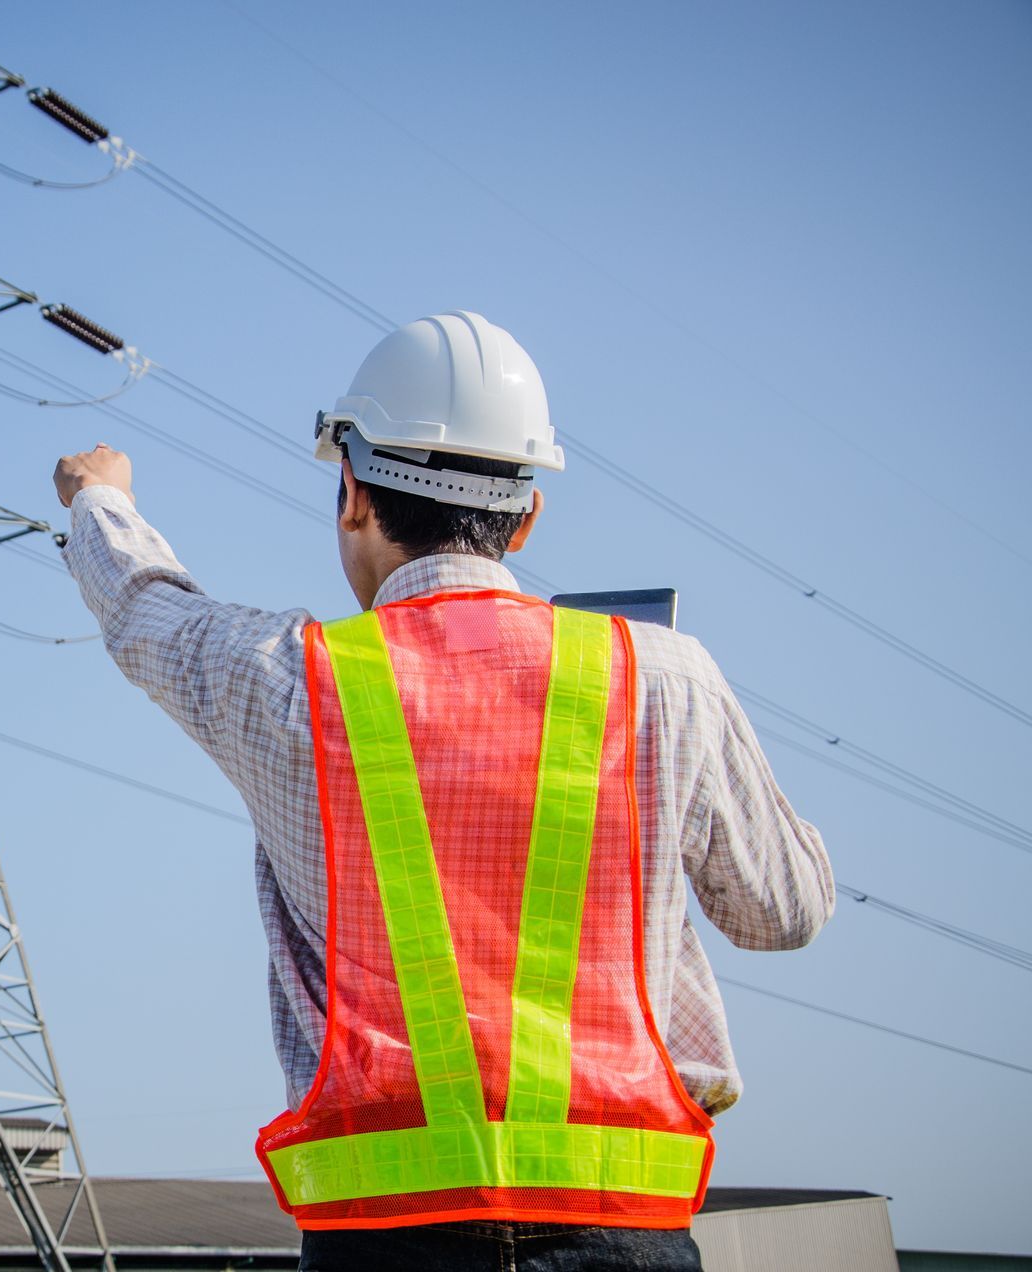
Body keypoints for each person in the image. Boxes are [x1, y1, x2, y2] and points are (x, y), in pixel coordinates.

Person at [52, 311, 833, 1272]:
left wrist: (101, 499)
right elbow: (781, 912)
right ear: (528, 513)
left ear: (351, 493)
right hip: (623, 1230)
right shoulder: (665, 677)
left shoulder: (292, 678)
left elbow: (147, 612)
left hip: (385, 1242)